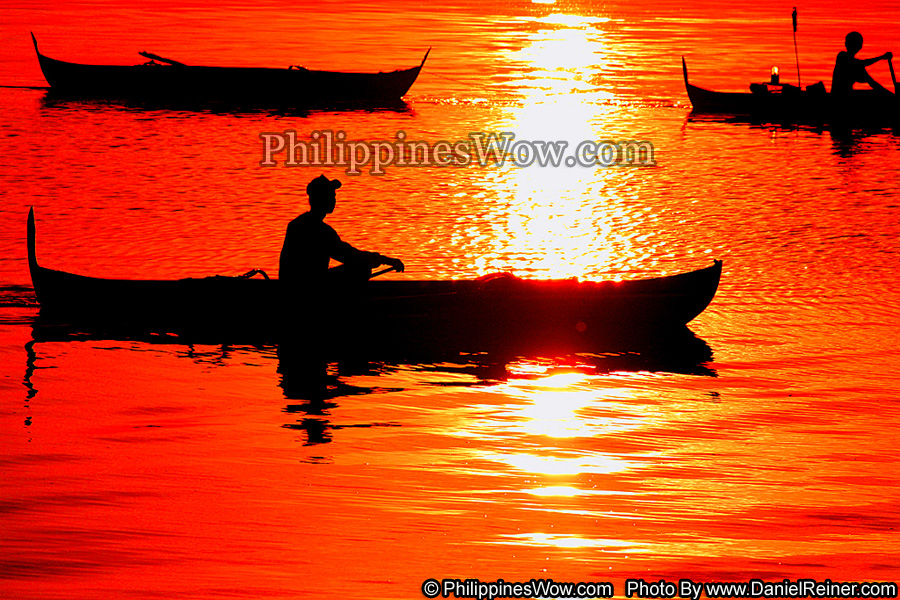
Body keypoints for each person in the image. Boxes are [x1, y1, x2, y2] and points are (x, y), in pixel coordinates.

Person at [279, 175, 405, 290]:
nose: (334, 199)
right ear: (323, 199)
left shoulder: (295, 224)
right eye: (332, 195)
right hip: (307, 289)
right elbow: (350, 255)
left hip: (292, 286)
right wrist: (385, 260)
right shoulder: (321, 231)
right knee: (361, 268)